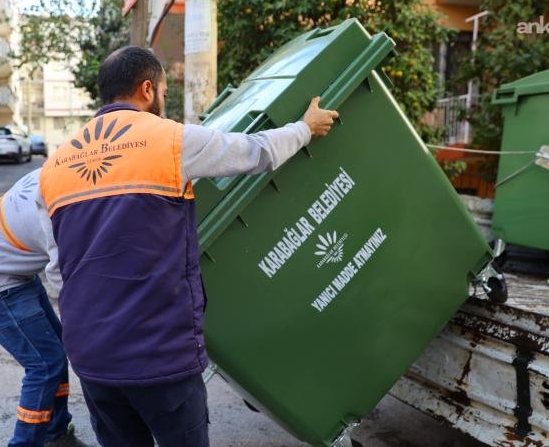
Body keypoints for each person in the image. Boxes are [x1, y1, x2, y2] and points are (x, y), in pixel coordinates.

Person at [37, 45, 338, 446]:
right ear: (147, 89)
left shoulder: (53, 167)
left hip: (92, 358)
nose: (163, 100)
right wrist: (305, 127)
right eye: (163, 91)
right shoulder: (168, 140)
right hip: (160, 354)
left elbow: (58, 269)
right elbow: (257, 151)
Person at [0, 169, 81, 447]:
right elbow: (63, 279)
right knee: (44, 364)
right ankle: (26, 442)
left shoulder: (56, 171)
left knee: (55, 352)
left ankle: (56, 432)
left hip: (13, 272)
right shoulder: (56, 211)